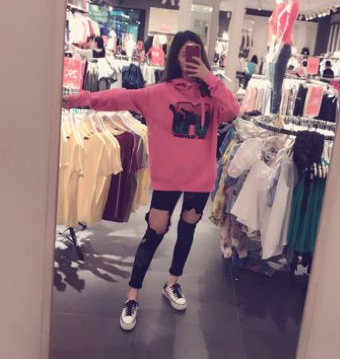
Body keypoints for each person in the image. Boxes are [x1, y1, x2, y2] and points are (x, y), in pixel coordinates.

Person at [62, 30, 240, 331]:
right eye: (184, 53)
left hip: (200, 179)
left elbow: (233, 110)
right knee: (154, 232)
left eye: (196, 52)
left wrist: (209, 78)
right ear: (175, 58)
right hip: (168, 179)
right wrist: (85, 99)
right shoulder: (158, 93)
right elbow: (120, 97)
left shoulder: (212, 95)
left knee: (187, 231)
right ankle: (132, 295)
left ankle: (173, 282)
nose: (190, 58)